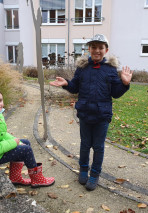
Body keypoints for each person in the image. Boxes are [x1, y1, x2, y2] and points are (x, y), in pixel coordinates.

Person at [50, 34, 133, 191]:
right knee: (85, 144)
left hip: (102, 116)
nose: (97, 50)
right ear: (89, 49)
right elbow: (74, 87)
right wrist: (66, 83)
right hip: (85, 113)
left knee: (98, 146)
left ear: (106, 50)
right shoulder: (82, 68)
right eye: (94, 47)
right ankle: (83, 169)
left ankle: (94, 174)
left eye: (100, 48)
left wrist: (125, 84)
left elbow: (115, 93)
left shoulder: (110, 69)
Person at [0, 88, 55, 188]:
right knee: (25, 150)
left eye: (0, 100)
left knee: (25, 142)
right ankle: (37, 180)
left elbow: (3, 134)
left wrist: (16, 141)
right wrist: (13, 143)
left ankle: (15, 177)